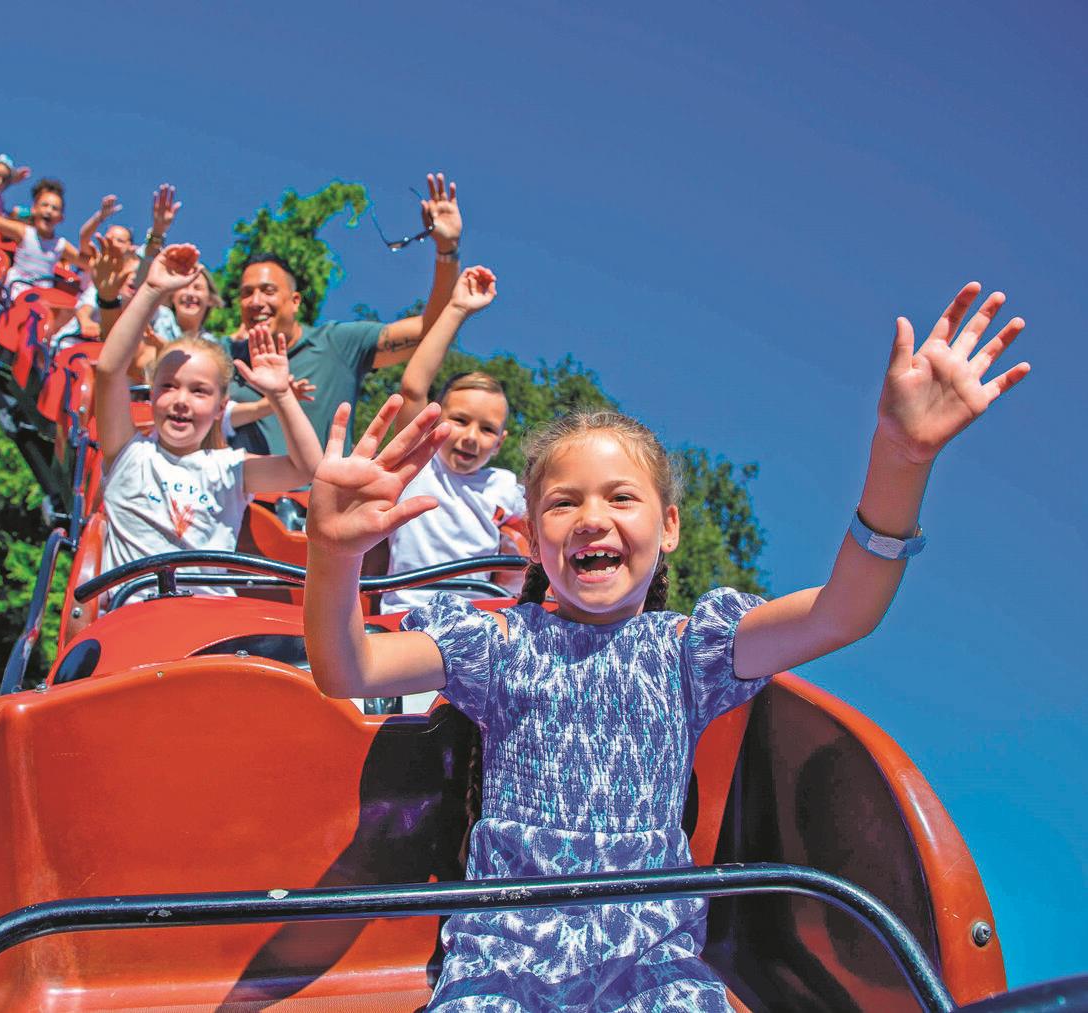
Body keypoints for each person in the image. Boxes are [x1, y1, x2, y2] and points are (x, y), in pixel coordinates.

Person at [303, 282, 1030, 1009]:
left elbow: (843, 612)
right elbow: (349, 668)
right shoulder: (497, 641)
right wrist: (334, 554)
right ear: (526, 536)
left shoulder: (692, 648)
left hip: (649, 961)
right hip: (504, 955)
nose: (592, 518)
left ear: (670, 527)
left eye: (621, 498)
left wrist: (900, 459)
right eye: (563, 502)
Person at [95, 243, 322, 596]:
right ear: (151, 394)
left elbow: (307, 468)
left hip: (208, 625)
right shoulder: (129, 454)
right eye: (168, 386)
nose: (182, 401)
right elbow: (109, 370)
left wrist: (280, 396)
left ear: (221, 408)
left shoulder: (227, 469)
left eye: (199, 391)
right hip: (134, 622)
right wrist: (153, 290)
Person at [227, 172, 465, 455]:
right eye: (246, 293)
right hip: (239, 497)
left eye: (267, 291)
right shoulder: (222, 356)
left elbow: (432, 330)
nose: (255, 301)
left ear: (295, 301)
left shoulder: (339, 344)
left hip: (316, 498)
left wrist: (446, 250)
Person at [381, 266, 525, 616]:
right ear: (436, 419)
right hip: (408, 613)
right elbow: (414, 386)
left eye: (487, 430)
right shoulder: (419, 465)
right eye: (459, 421)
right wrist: (457, 309)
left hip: (476, 620)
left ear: (500, 443)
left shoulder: (504, 485)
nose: (471, 438)